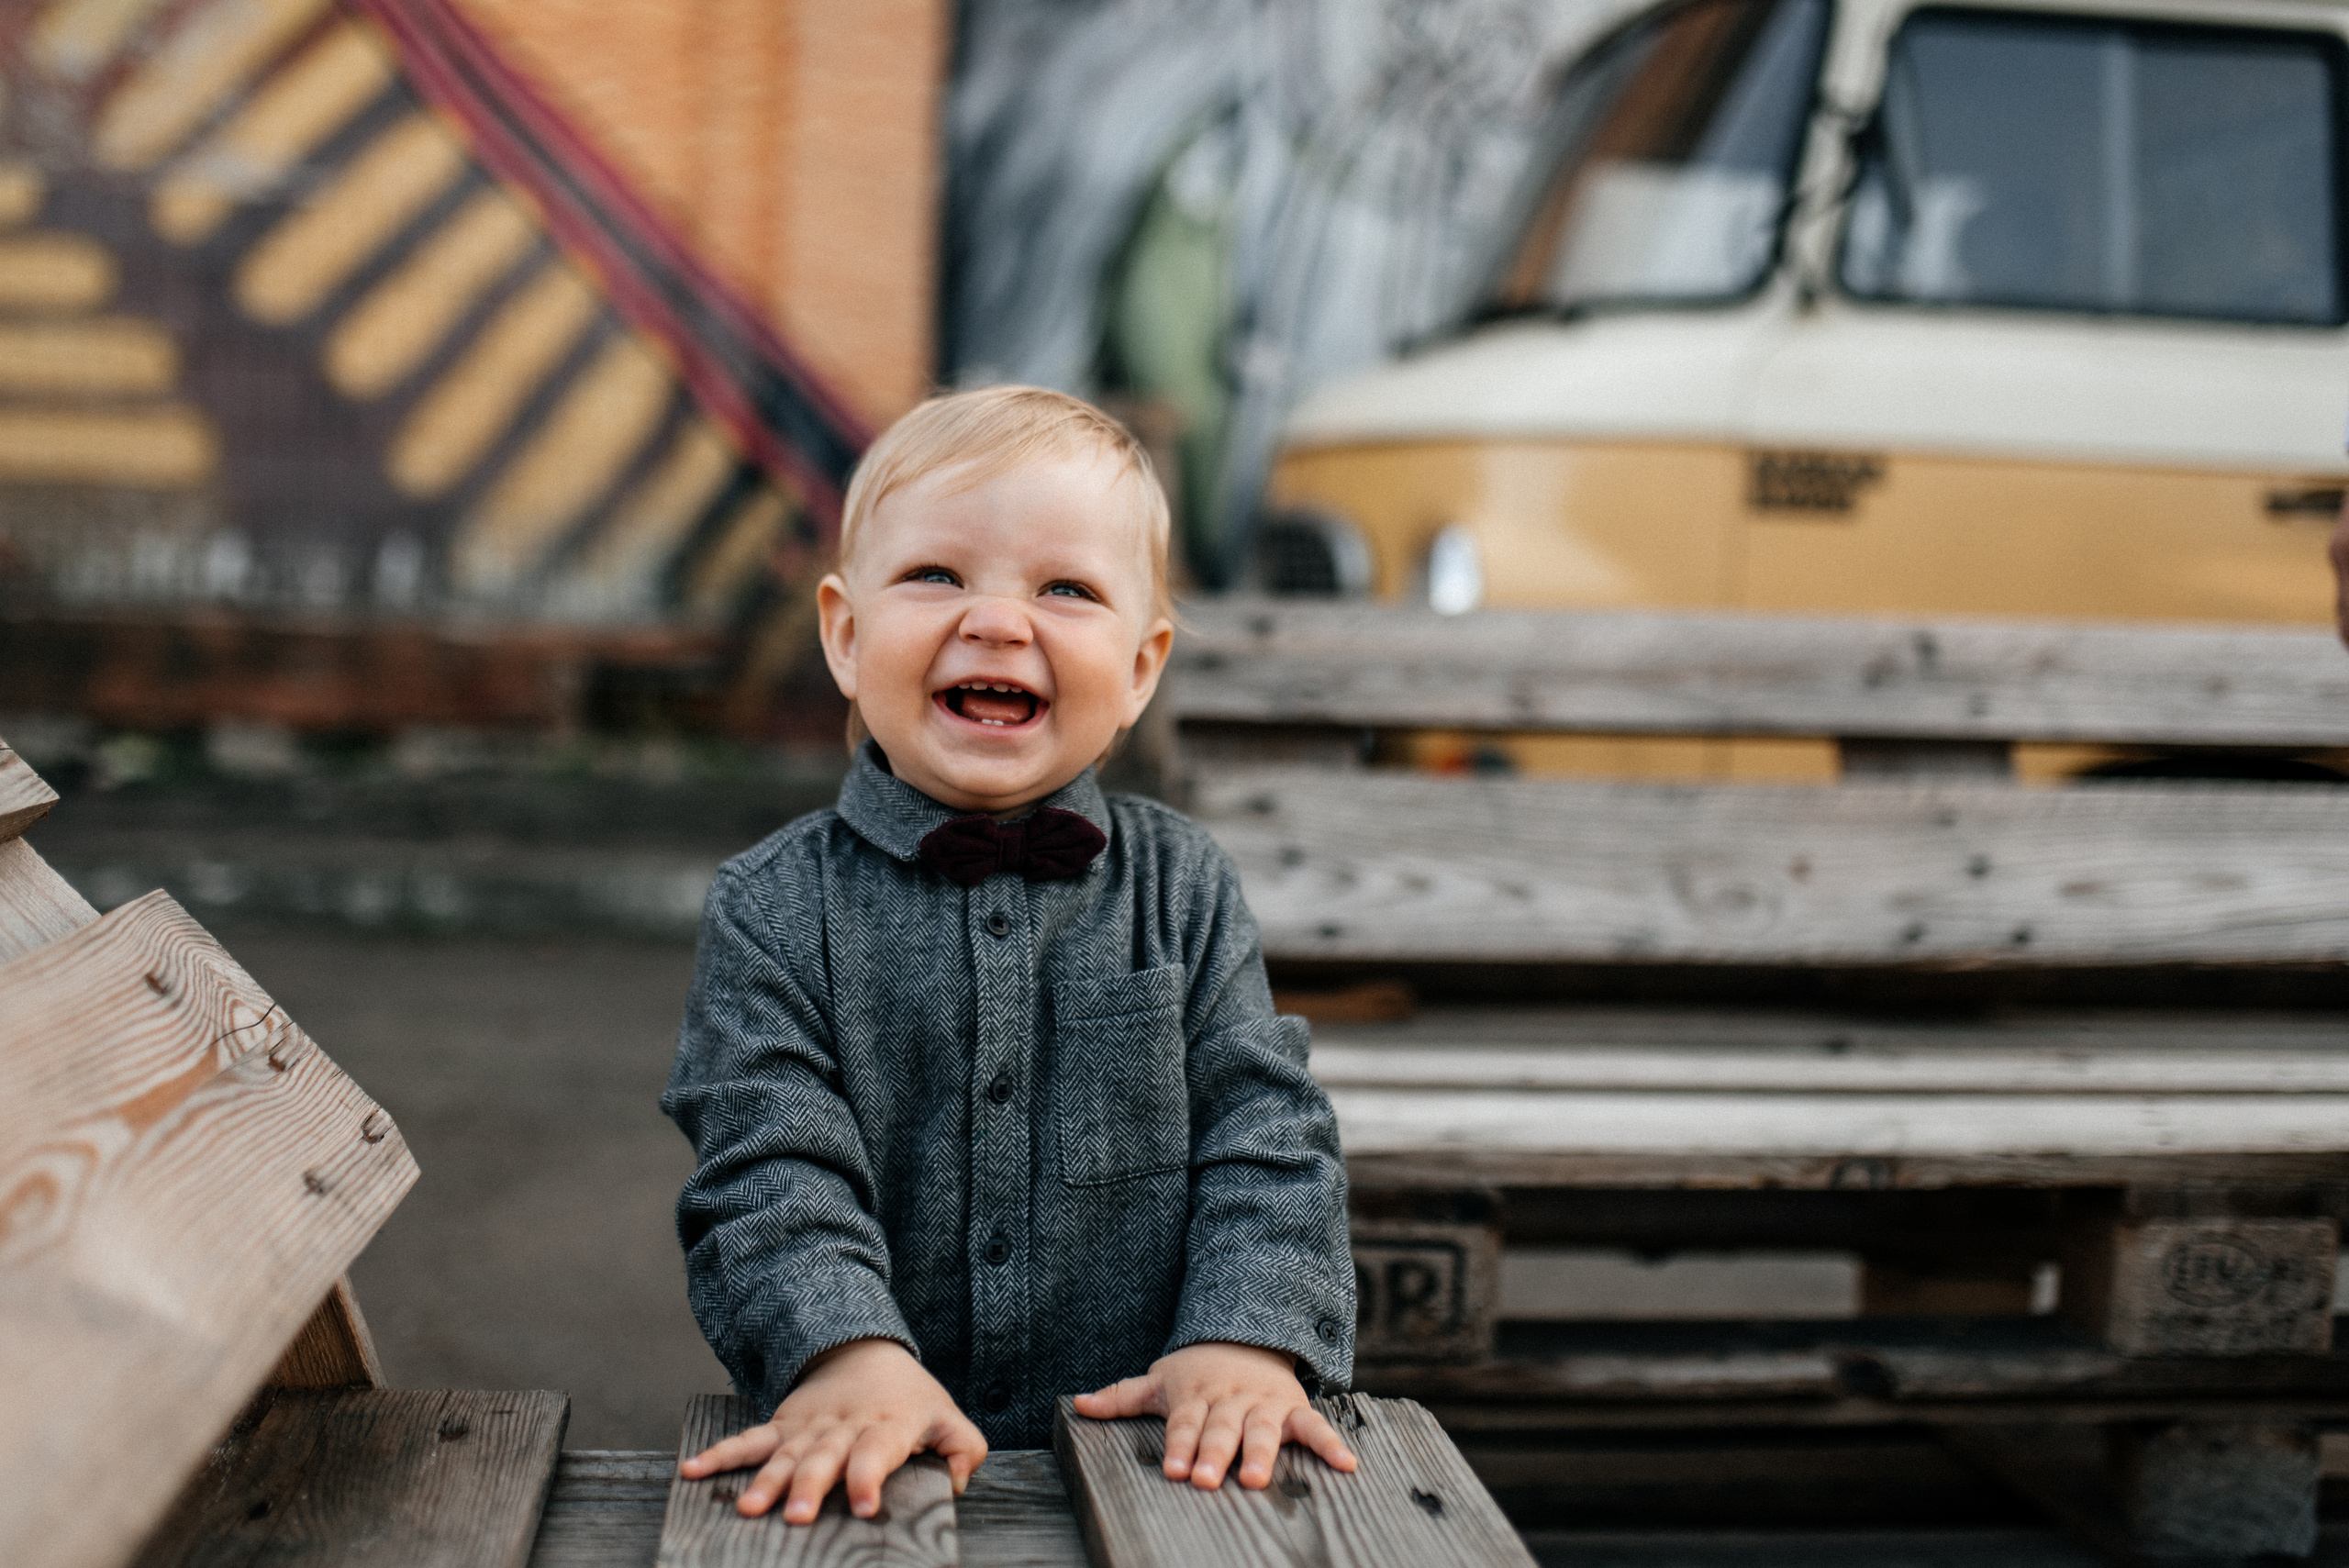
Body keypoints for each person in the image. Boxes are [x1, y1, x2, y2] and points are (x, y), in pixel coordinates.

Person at [660, 385, 1359, 1525]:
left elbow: (1265, 1132)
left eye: (1065, 589)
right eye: (936, 574)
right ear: (846, 635)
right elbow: (765, 1163)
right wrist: (840, 1351)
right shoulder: (771, 908)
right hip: (864, 1452)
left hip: (1152, 1450)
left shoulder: (1184, 889)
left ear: (1140, 667)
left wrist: (1244, 1336)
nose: (995, 620)